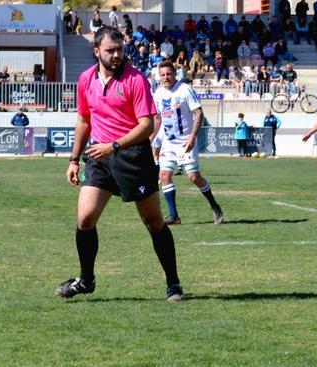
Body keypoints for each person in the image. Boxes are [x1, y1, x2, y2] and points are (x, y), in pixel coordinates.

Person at [56, 26, 182, 302]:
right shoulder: (86, 79)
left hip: (132, 157)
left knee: (153, 222)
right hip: (99, 158)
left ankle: (173, 283)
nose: (116, 55)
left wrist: (114, 145)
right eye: (110, 50)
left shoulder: (135, 80)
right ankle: (86, 280)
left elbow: (147, 125)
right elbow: (84, 120)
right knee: (85, 218)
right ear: (96, 51)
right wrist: (74, 159)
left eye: (120, 49)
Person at [152, 61, 224, 226]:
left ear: (175, 74)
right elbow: (157, 118)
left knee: (193, 177)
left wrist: (192, 137)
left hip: (186, 141)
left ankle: (215, 206)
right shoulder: (158, 93)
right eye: (163, 75)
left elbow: (198, 113)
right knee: (164, 176)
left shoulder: (185, 90)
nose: (166, 77)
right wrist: (151, 138)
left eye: (169, 74)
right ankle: (174, 216)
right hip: (169, 143)